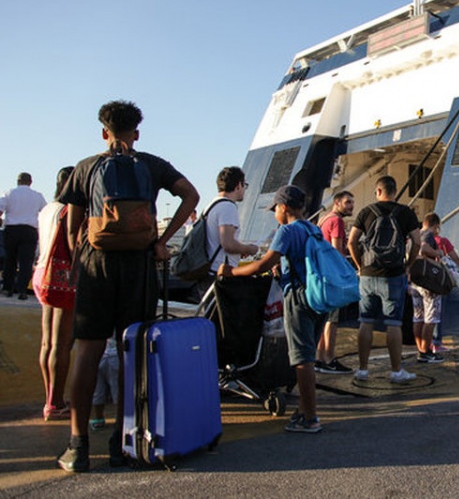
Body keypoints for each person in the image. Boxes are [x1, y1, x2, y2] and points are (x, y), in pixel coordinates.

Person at [56, 100, 199, 473]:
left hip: (95, 265)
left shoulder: (86, 167)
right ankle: (125, 442)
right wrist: (162, 240)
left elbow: (72, 229)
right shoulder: (152, 165)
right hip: (138, 266)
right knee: (131, 352)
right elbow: (191, 195)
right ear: (136, 133)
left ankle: (77, 447)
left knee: (87, 351)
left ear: (104, 132)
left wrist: (81, 262)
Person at [219, 185, 326, 433]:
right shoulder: (313, 228)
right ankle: (303, 410)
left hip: (299, 298)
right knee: (308, 353)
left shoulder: (287, 231)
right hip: (318, 297)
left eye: (275, 208)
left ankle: (311, 418)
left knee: (302, 359)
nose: (274, 213)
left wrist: (231, 271)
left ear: (283, 207)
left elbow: (262, 265)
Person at [347, 175, 420, 383]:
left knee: (366, 321)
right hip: (394, 275)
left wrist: (360, 266)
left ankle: (362, 370)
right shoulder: (405, 212)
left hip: (368, 274)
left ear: (378, 191)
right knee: (393, 324)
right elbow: (416, 242)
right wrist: (408, 265)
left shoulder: (366, 211)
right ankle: (397, 372)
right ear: (394, 191)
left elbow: (351, 241)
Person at [34, 166, 75, 420]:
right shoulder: (69, 211)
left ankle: (49, 396)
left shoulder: (47, 209)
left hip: (41, 273)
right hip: (61, 277)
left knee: (47, 342)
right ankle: (55, 403)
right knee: (61, 345)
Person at [199, 167, 258, 298]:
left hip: (207, 271)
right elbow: (228, 244)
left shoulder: (210, 206)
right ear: (238, 185)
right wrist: (249, 249)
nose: (244, 190)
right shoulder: (228, 207)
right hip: (221, 275)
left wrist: (239, 249)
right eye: (245, 185)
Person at [314, 191, 355, 374]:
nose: (351, 206)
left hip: (321, 275)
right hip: (332, 277)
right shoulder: (337, 221)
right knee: (332, 320)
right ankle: (330, 359)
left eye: (352, 203)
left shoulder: (323, 219)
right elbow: (337, 251)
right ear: (337, 202)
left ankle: (319, 357)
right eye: (347, 202)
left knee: (323, 320)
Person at [0, 172, 47, 300]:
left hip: (11, 229)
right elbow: (45, 212)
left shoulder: (9, 193)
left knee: (10, 260)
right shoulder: (37, 196)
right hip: (29, 231)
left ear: (18, 181)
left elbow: (0, 209)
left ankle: (7, 288)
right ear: (30, 182)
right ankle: (22, 290)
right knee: (26, 262)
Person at [408, 212, 445, 364]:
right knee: (431, 318)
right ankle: (425, 351)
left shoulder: (413, 235)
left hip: (414, 281)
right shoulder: (428, 235)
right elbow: (423, 248)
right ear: (435, 226)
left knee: (418, 317)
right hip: (428, 282)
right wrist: (438, 252)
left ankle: (420, 348)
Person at [431, 217, 459, 353]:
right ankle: (436, 343)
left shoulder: (419, 240)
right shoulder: (442, 241)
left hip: (424, 281)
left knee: (424, 314)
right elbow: (456, 259)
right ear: (436, 227)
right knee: (438, 313)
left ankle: (425, 344)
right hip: (441, 281)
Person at [89, 336, 118, 431]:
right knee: (118, 391)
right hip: (116, 355)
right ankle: (120, 418)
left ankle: (98, 418)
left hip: (96, 354)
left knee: (97, 391)